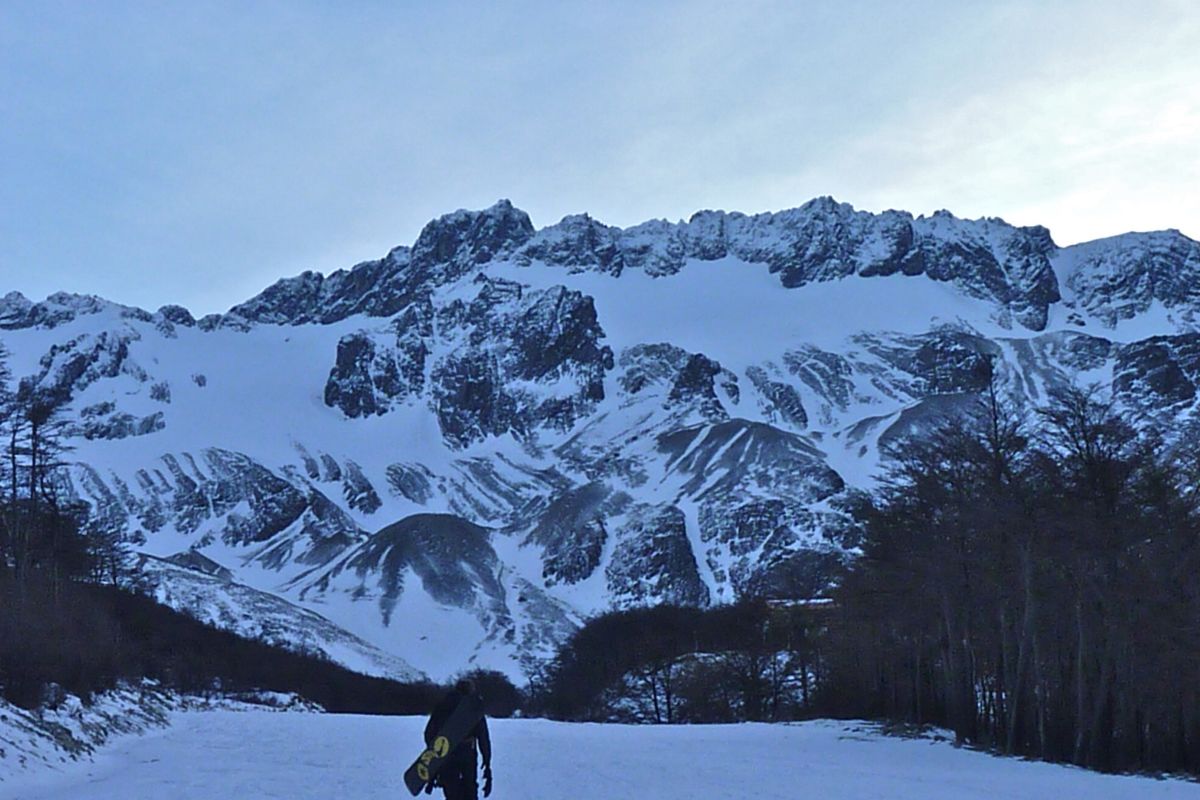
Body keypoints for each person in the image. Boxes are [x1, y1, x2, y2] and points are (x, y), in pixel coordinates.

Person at [424, 678, 493, 799]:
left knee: (451, 789)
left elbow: (429, 732)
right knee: (470, 789)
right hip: (468, 752)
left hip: (446, 753)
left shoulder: (443, 704)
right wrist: (486, 761)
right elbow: (483, 736)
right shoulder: (473, 707)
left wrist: (434, 753)